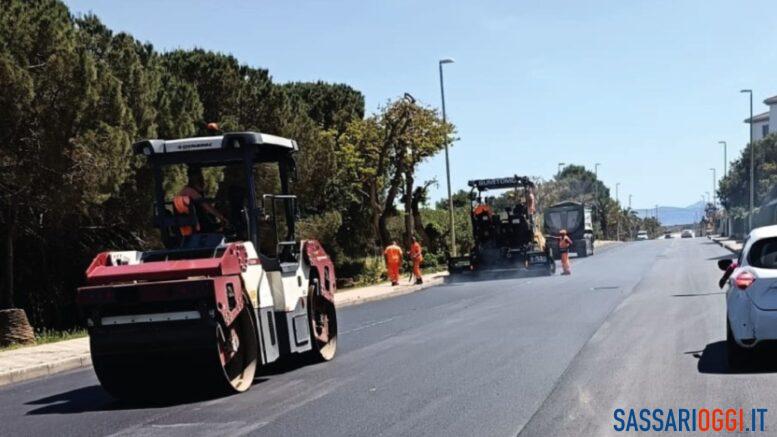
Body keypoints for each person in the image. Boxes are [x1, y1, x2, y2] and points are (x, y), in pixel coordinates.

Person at [175, 167, 228, 234]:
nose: (202, 179)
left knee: (212, 217)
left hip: (194, 222)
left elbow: (204, 203)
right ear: (192, 177)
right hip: (196, 225)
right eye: (199, 177)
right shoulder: (189, 191)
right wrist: (221, 217)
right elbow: (206, 205)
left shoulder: (189, 190)